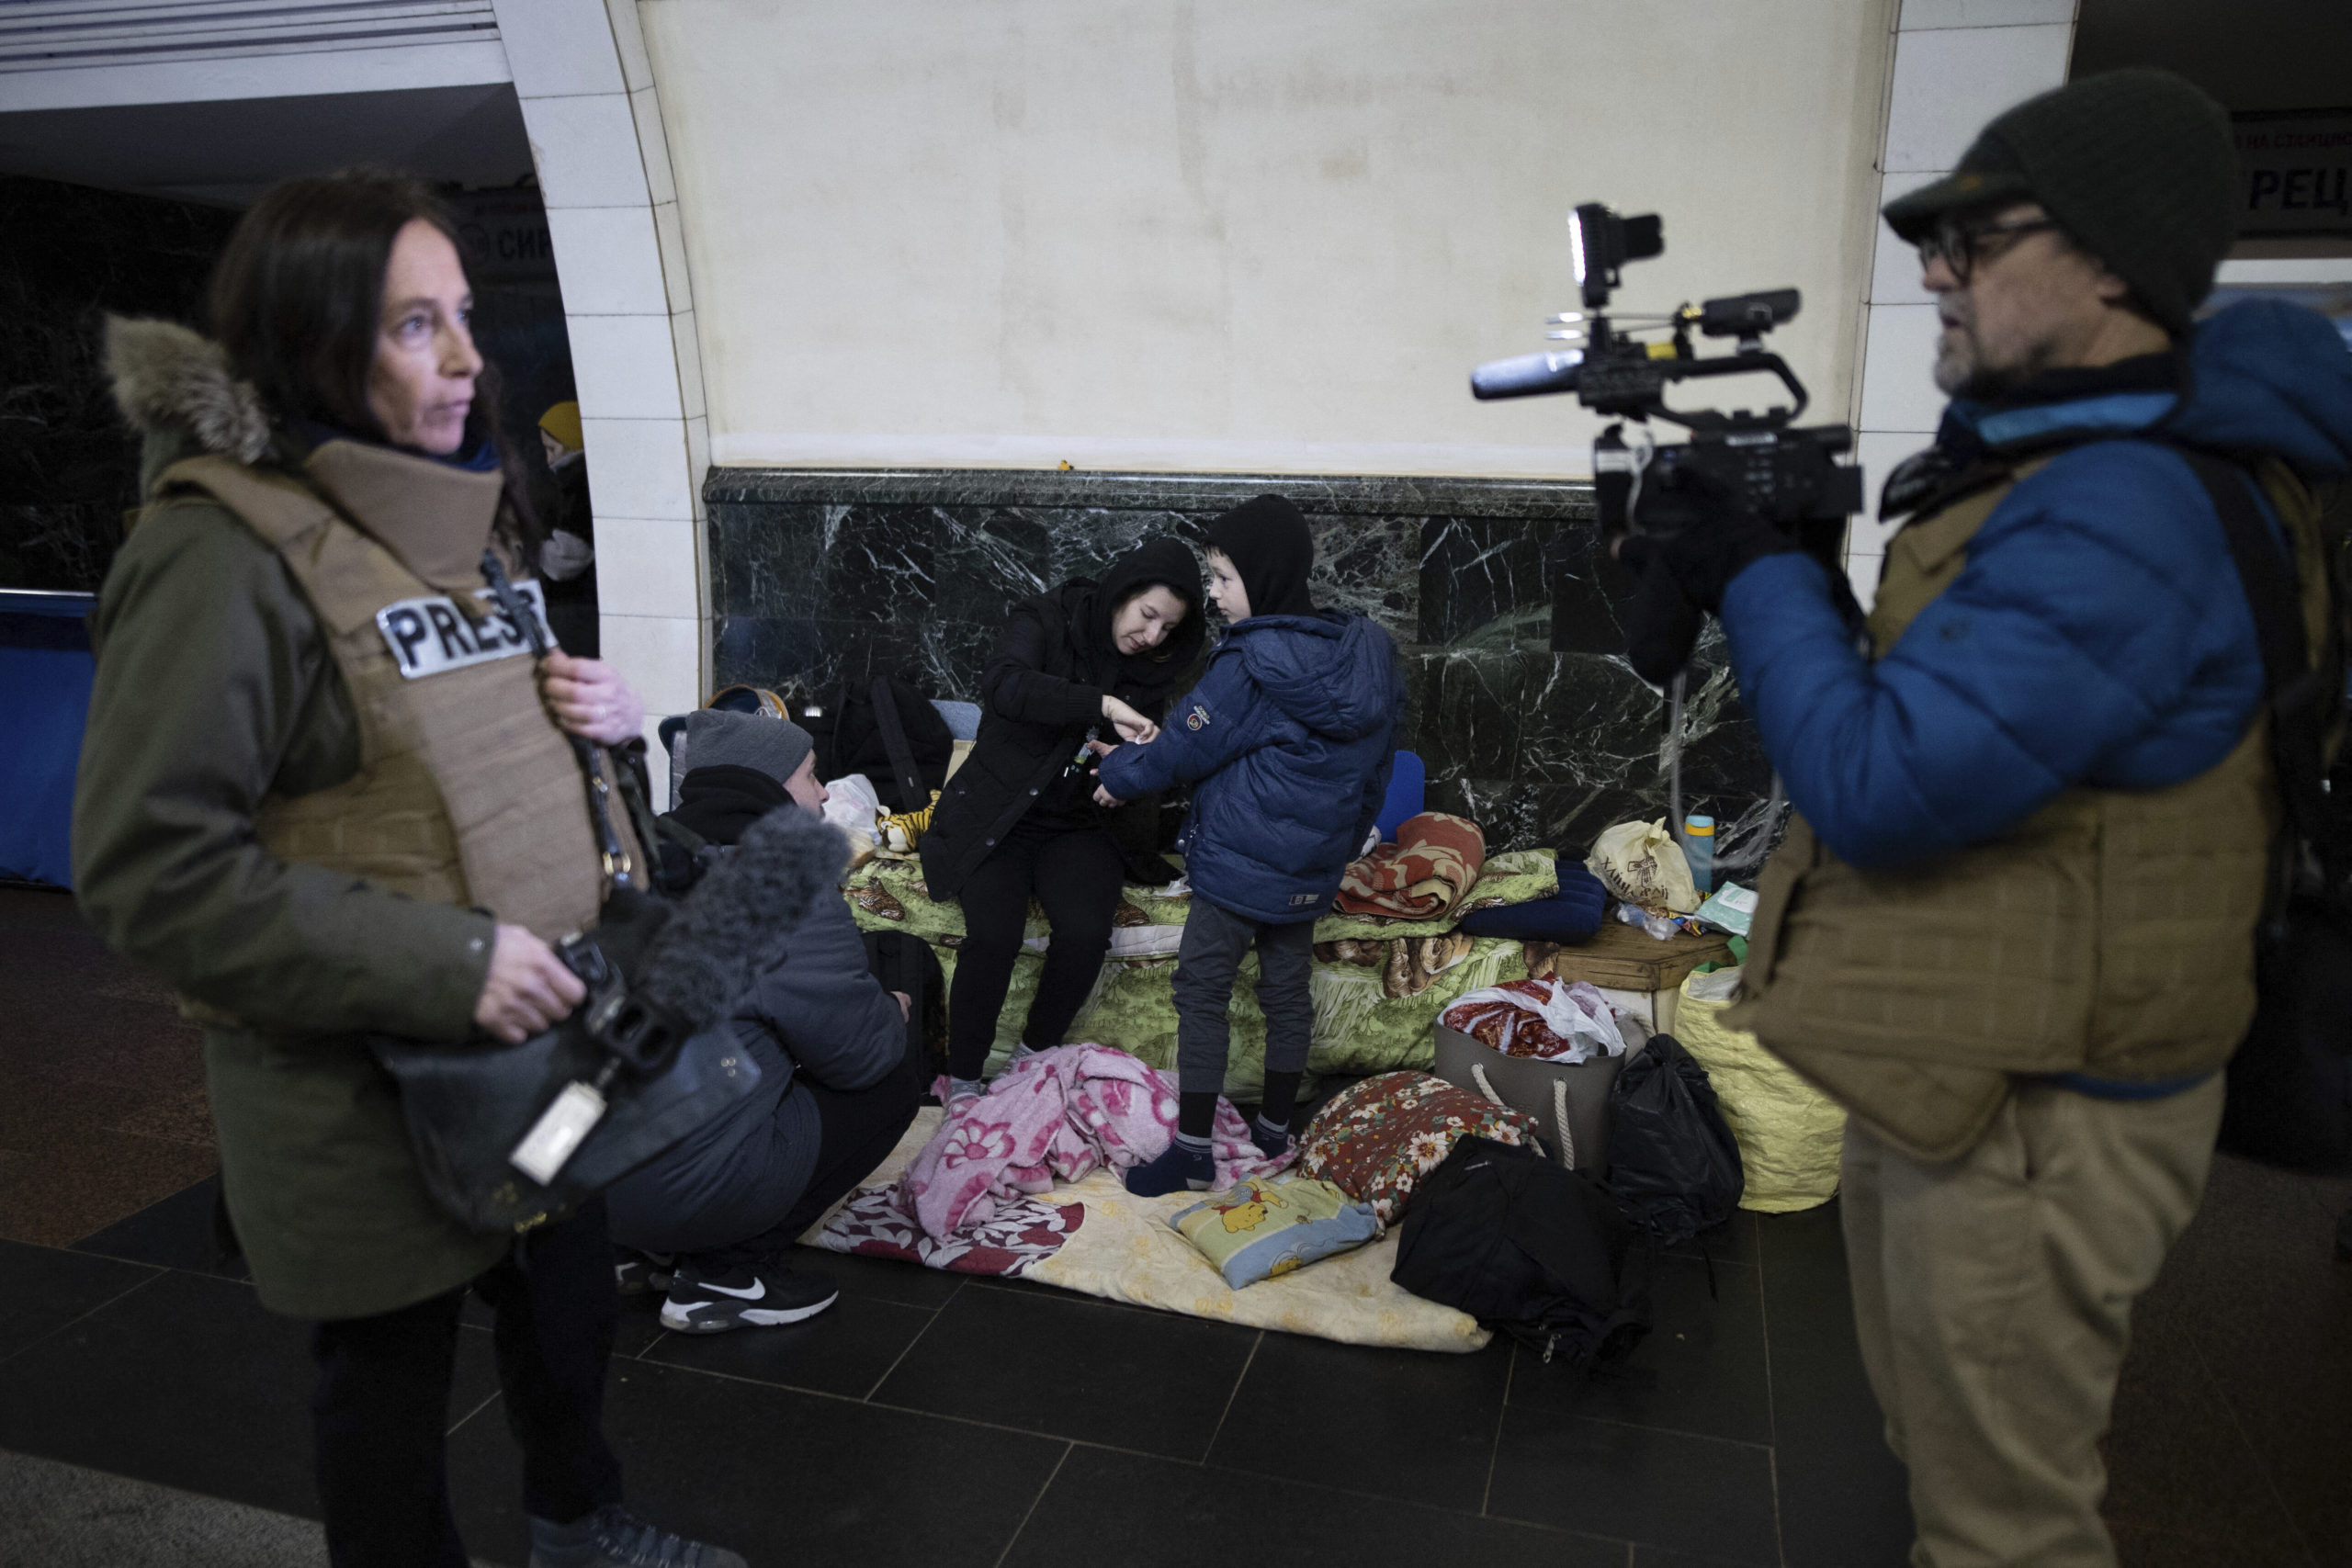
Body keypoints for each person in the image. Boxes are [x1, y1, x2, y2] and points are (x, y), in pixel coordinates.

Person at [1617, 72, 2352, 1566]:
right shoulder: (2066, 468)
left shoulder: (2130, 505)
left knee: (2003, 1523)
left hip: (2046, 1109)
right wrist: (1808, 575)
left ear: (2111, 260)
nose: (1936, 269)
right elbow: (1963, 721)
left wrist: (1762, 570)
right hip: (1972, 1064)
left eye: (1977, 235)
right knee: (1938, 1460)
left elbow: (1881, 785)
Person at [73, 171, 743, 1568]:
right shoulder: (218, 557)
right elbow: (147, 868)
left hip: (551, 1049)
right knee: (386, 1394)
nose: (462, 358)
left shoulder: (456, 516)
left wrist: (600, 729)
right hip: (365, 1090)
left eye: (462, 316)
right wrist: (447, 961)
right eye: (409, 325)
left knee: (566, 1303)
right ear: (313, 341)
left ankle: (578, 1520)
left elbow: (466, 750)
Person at [1098, 496, 1404, 1194]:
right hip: (1310, 870)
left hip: (1238, 866)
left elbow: (1182, 749)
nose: (1213, 593)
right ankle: (1274, 1131)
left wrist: (1114, 775)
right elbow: (1377, 768)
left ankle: (1194, 1151)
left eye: (1223, 578)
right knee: (1287, 995)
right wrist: (1342, 839)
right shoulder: (1368, 655)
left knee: (1202, 988)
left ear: (1263, 578)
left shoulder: (1253, 662)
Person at [605, 707, 927, 1332]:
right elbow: (859, 1052)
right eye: (811, 774)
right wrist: (893, 1009)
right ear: (772, 784)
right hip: (684, 1192)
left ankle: (631, 1252)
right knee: (890, 1080)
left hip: (583, 1189)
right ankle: (728, 1272)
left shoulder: (637, 865)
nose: (826, 790)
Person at [921, 538, 1206, 1100]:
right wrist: (1102, 705)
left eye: (1168, 629)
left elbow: (1159, 758)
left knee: (1084, 935)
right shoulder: (1045, 618)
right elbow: (1005, 686)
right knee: (994, 936)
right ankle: (962, 1077)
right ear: (1122, 594)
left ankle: (1032, 1060)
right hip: (999, 816)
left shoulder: (1152, 666)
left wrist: (1129, 772)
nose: (1152, 638)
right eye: (1148, 616)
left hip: (1079, 826)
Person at [535, 400, 598, 657]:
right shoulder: (577, 478)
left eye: (553, 448)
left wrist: (529, 544)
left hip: (576, 608)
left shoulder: (577, 483)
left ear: (572, 442)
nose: (549, 458)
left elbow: (567, 559)